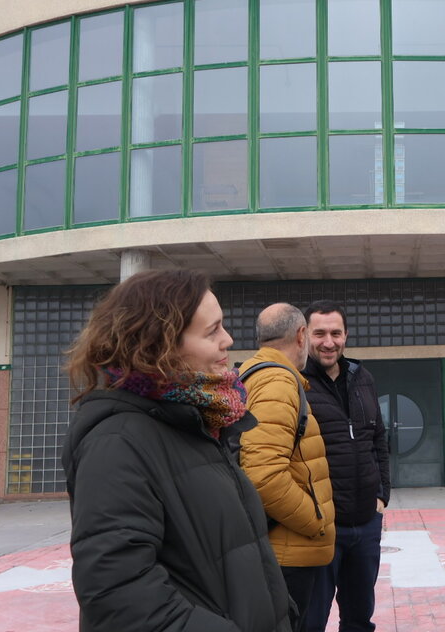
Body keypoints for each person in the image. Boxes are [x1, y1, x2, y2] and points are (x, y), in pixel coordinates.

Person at [61, 269, 293, 632]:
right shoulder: (117, 442)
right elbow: (118, 596)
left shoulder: (196, 421)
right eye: (212, 330)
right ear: (159, 345)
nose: (228, 339)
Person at [238, 303, 336, 631]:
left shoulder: (252, 374)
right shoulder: (277, 382)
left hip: (279, 546)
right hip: (287, 553)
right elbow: (263, 474)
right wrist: (315, 519)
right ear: (300, 335)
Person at [300, 300, 390, 632]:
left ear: (346, 335)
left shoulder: (362, 376)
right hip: (323, 526)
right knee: (311, 620)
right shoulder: (296, 382)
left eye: (336, 333)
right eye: (319, 333)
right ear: (304, 335)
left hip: (366, 524)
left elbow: (378, 439)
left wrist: (382, 495)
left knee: (359, 619)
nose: (328, 342)